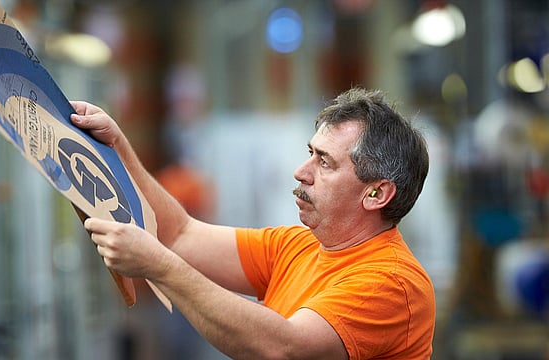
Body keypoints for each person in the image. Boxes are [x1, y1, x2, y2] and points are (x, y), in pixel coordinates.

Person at [69, 87, 435, 359]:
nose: (301, 172)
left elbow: (283, 348)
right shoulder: (298, 246)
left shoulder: (391, 284)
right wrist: (117, 150)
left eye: (325, 162)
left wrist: (160, 267)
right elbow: (181, 234)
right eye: (311, 153)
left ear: (376, 194)